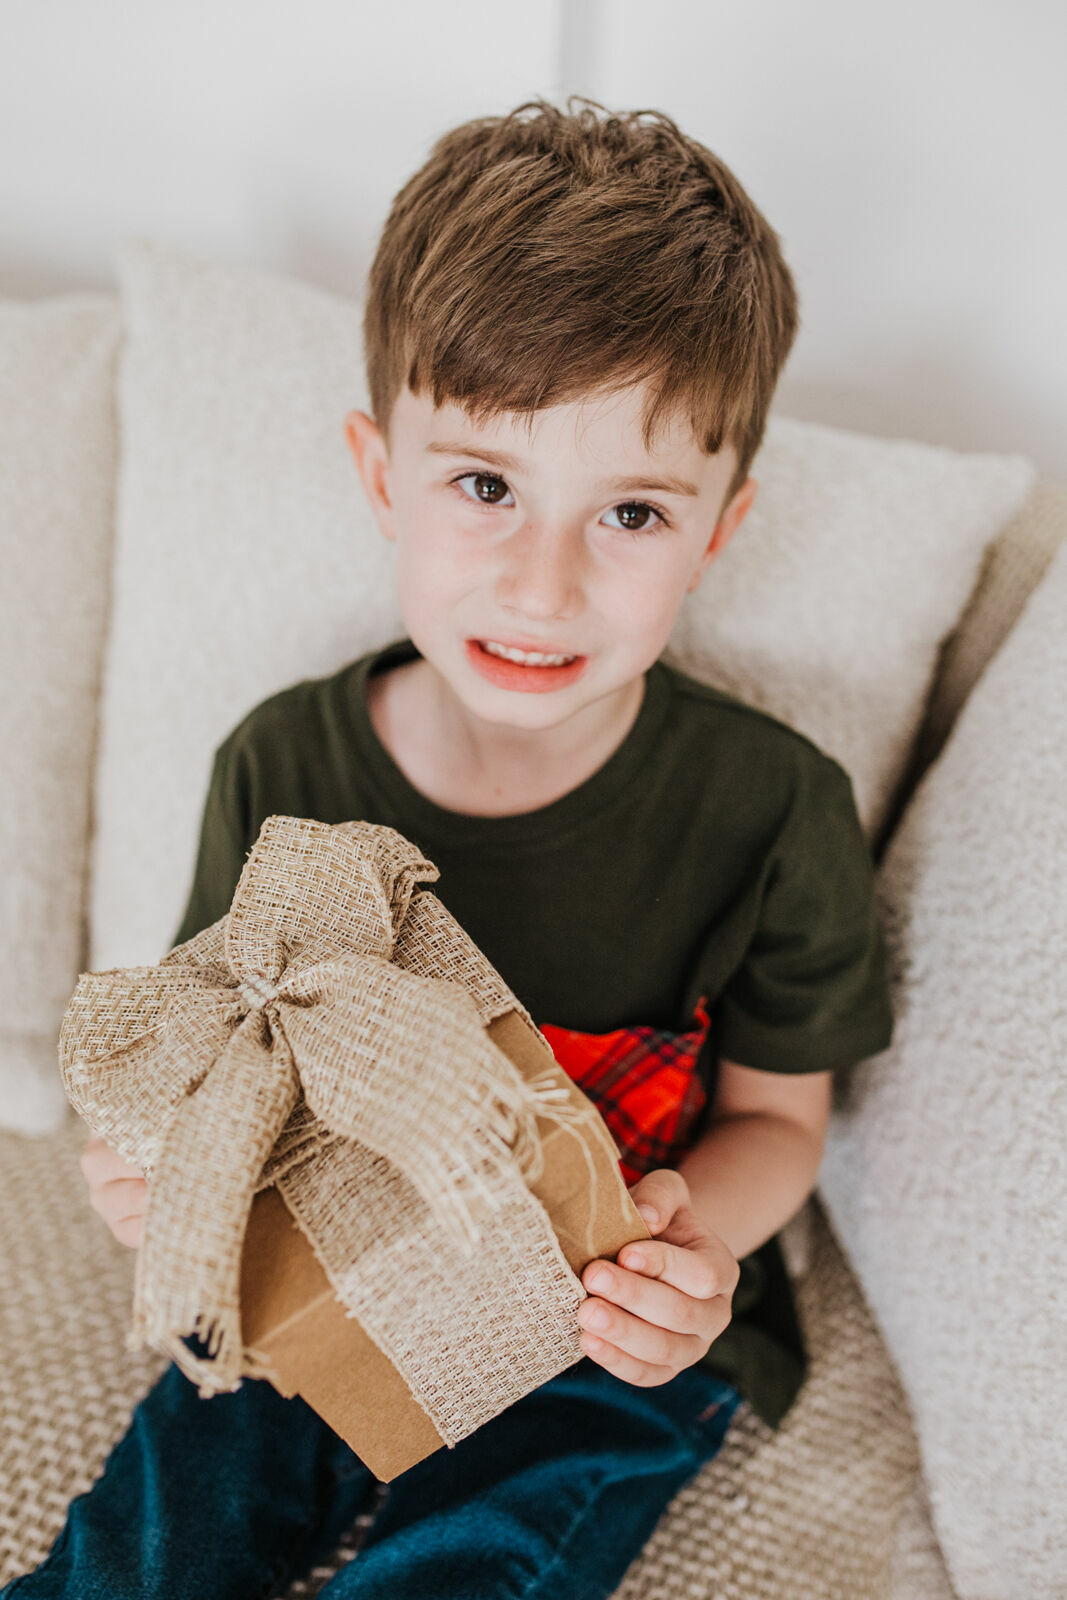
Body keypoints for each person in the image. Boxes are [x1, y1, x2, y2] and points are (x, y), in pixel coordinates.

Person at [6, 95, 893, 1599]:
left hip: (605, 1312)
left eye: (630, 510)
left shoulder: (772, 807)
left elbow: (780, 1124)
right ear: (382, 477)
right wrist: (164, 1166)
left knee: (486, 1554)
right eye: (486, 485)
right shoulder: (286, 765)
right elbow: (214, 1070)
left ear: (719, 530)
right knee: (165, 1521)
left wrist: (691, 1237)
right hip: (330, 1258)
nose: (542, 587)